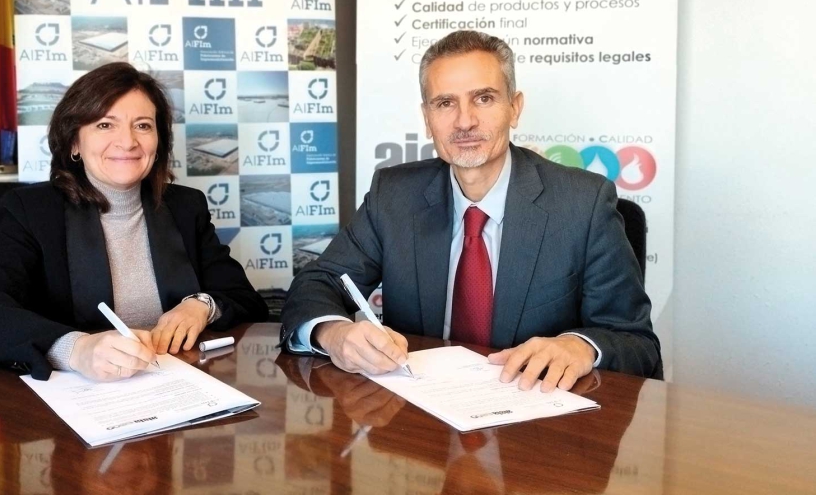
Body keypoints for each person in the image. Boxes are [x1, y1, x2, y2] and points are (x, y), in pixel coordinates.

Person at [280, 30, 661, 390]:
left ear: (514, 108)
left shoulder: (583, 203)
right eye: (445, 103)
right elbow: (318, 283)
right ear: (428, 119)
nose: (465, 121)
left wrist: (580, 347)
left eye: (484, 98)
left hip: (535, 429)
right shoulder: (394, 195)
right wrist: (333, 333)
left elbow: (635, 342)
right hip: (421, 426)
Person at [0, 62, 267, 381]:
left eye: (143, 125)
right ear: (74, 142)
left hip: (174, 381)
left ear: (159, 142)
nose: (128, 142)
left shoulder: (185, 206)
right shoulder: (33, 211)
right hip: (79, 395)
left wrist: (201, 305)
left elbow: (245, 298)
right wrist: (76, 349)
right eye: (105, 125)